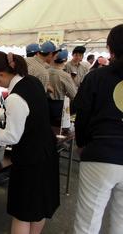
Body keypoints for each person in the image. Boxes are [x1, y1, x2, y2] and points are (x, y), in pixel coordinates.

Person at [0, 50, 60, 234]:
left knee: (22, 212)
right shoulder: (31, 81)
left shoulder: (16, 97)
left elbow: (11, 137)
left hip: (30, 161)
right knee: (39, 208)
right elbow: (16, 109)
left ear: (1, 75)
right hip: (47, 153)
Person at [73, 24, 123, 234]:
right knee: (121, 224)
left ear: (110, 48)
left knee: (88, 223)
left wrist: (82, 143)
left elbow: (81, 115)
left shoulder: (97, 77)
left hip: (100, 153)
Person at [48, 49, 77, 126]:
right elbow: (74, 95)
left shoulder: (45, 71)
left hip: (45, 104)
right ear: (65, 60)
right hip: (59, 107)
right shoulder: (65, 75)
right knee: (57, 130)